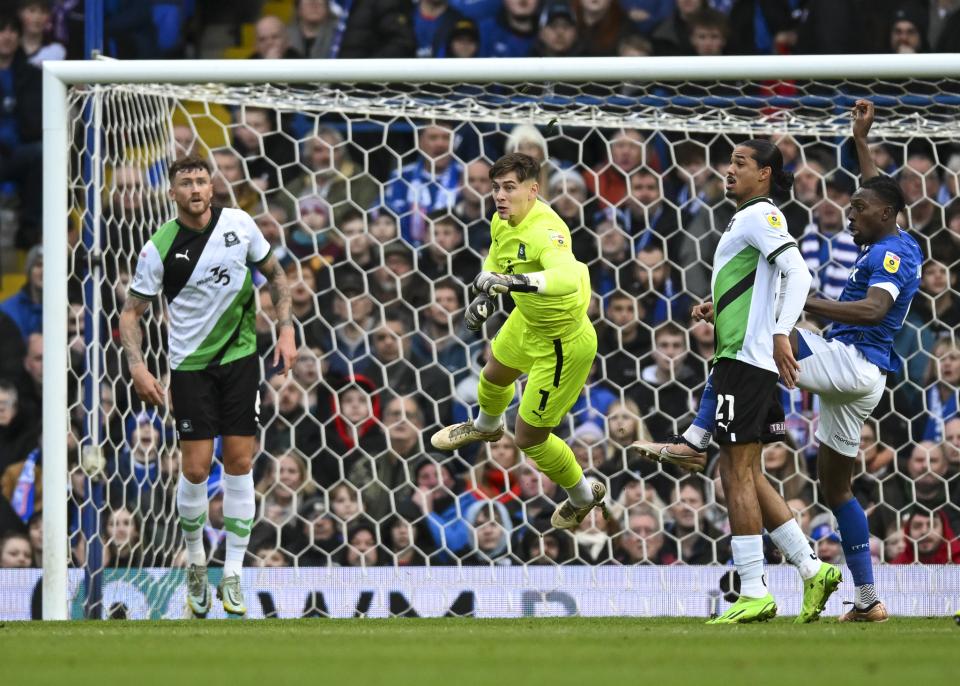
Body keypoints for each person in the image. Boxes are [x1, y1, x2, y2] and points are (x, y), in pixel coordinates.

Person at [634, 101, 923, 623]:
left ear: (883, 216)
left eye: (857, 210)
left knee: (758, 343)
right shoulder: (891, 225)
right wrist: (861, 140)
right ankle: (864, 599)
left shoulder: (889, 255)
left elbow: (873, 306)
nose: (849, 214)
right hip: (859, 378)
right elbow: (879, 190)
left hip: (850, 360)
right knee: (834, 489)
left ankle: (696, 439)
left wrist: (795, 314)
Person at [635, 138, 835, 624]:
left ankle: (753, 590)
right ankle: (812, 570)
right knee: (748, 471)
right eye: (729, 162)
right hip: (745, 358)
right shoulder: (749, 218)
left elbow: (798, 274)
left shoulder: (759, 216)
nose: (729, 170)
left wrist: (783, 333)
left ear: (764, 173)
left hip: (745, 360)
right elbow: (760, 281)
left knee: (733, 473)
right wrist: (716, 305)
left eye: (740, 164)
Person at [119, 155, 297, 618]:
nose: (197, 188)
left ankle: (233, 573)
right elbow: (131, 312)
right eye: (187, 182)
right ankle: (197, 562)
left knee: (241, 462)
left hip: (239, 362)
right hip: (190, 368)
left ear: (212, 186)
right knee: (196, 469)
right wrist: (138, 366)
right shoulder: (159, 247)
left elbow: (276, 276)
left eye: (202, 180)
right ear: (173, 192)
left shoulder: (239, 224)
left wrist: (286, 329)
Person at [430, 152, 608, 534]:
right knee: (494, 370)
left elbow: (562, 277)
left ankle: (580, 494)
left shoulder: (548, 231)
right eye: (496, 187)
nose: (500, 195)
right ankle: (485, 426)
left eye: (510, 187)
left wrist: (513, 285)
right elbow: (496, 262)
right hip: (528, 319)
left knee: (529, 436)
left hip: (563, 342)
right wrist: (486, 298)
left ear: (533, 189)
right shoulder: (501, 220)